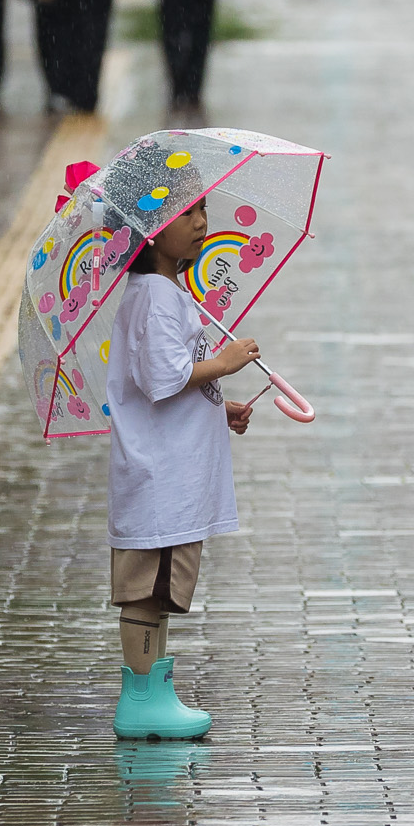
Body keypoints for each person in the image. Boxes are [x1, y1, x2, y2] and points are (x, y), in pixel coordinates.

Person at [106, 191, 256, 740]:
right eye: (188, 214)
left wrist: (220, 407)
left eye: (203, 212)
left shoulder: (168, 294)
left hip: (171, 477)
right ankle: (141, 697)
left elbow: (172, 380)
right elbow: (164, 377)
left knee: (161, 590)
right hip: (160, 480)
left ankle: (153, 692)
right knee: (148, 587)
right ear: (150, 232)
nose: (202, 223)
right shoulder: (152, 297)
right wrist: (226, 362)